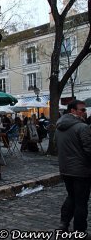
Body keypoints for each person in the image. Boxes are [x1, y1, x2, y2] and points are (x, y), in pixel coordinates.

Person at [55, 100, 91, 234]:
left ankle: (63, 223)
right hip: (81, 171)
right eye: (82, 110)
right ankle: (80, 231)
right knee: (81, 202)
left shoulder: (59, 127)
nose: (85, 112)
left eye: (85, 110)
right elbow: (89, 150)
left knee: (71, 196)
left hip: (66, 169)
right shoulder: (82, 127)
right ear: (73, 111)